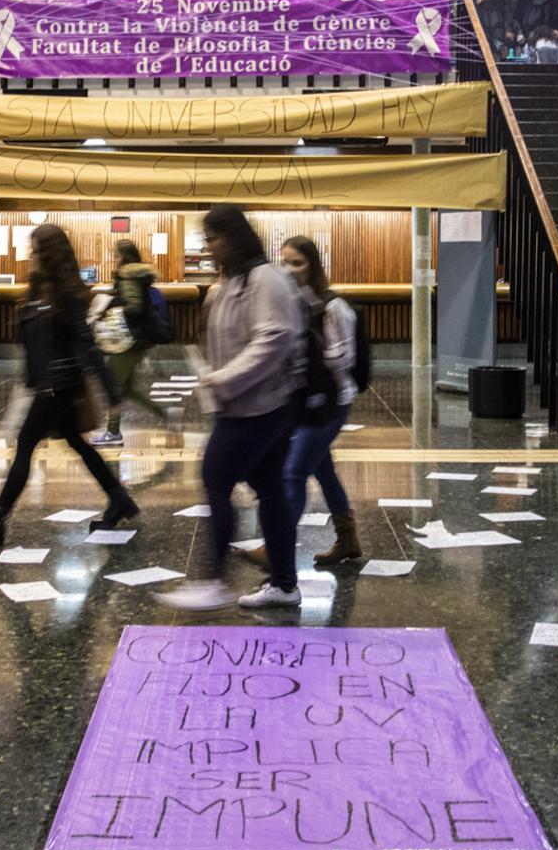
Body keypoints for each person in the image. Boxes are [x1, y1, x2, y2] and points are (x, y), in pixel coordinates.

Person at [156, 205, 305, 612]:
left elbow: (273, 339)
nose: (210, 248)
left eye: (214, 238)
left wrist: (223, 380)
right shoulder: (235, 281)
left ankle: (211, 581)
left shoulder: (264, 279)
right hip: (243, 405)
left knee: (215, 478)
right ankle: (285, 584)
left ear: (235, 238)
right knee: (271, 492)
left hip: (258, 407)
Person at [0, 224, 137, 543]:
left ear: (48, 254)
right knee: (76, 443)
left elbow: (87, 345)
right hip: (48, 383)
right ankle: (119, 498)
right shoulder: (40, 289)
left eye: (35, 250)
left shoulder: (67, 294)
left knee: (25, 444)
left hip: (59, 385)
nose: (31, 256)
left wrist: (111, 391)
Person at [242, 236, 363, 572]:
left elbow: (345, 357)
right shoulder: (293, 306)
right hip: (304, 403)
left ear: (313, 265)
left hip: (331, 402)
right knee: (323, 470)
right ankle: (348, 539)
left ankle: (276, 547)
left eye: (297, 263)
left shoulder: (333, 307)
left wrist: (313, 356)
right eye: (285, 263)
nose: (290, 270)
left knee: (293, 473)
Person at [91, 239, 169, 446]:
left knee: (114, 386)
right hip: (138, 339)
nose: (114, 259)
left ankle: (113, 432)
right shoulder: (138, 276)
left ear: (124, 256)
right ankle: (164, 412)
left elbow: (133, 306)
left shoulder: (127, 274)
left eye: (116, 255)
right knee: (127, 389)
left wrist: (113, 308)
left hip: (127, 340)